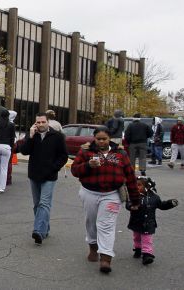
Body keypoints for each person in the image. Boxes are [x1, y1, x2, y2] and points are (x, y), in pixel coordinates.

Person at [71, 126, 140, 273]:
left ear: (109, 139)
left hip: (112, 194)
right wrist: (88, 165)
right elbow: (75, 171)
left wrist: (135, 199)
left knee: (106, 224)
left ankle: (106, 258)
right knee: (91, 221)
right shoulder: (86, 151)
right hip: (89, 192)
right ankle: (93, 247)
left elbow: (130, 176)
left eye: (104, 139)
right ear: (94, 139)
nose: (101, 142)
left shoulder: (120, 153)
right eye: (98, 139)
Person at [19, 113, 68, 245]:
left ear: (48, 122)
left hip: (49, 176)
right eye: (38, 122)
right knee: (37, 204)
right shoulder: (32, 135)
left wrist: (54, 168)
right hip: (34, 175)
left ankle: (38, 231)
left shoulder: (57, 136)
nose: (41, 124)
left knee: (44, 203)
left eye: (43, 122)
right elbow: (24, 151)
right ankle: (44, 228)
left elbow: (64, 156)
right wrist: (29, 136)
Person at [126, 176, 178, 265]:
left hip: (149, 223)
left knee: (147, 239)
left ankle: (147, 255)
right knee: (137, 237)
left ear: (147, 187)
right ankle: (138, 249)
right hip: (136, 221)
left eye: (139, 185)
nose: (136, 187)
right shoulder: (134, 195)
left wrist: (170, 203)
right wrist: (131, 206)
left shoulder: (155, 197)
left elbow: (162, 205)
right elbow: (128, 204)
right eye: (135, 185)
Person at [0, 110, 15, 193]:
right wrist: (11, 147)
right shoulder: (11, 125)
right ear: (8, 116)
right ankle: (1, 188)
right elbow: (12, 138)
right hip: (6, 147)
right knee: (4, 168)